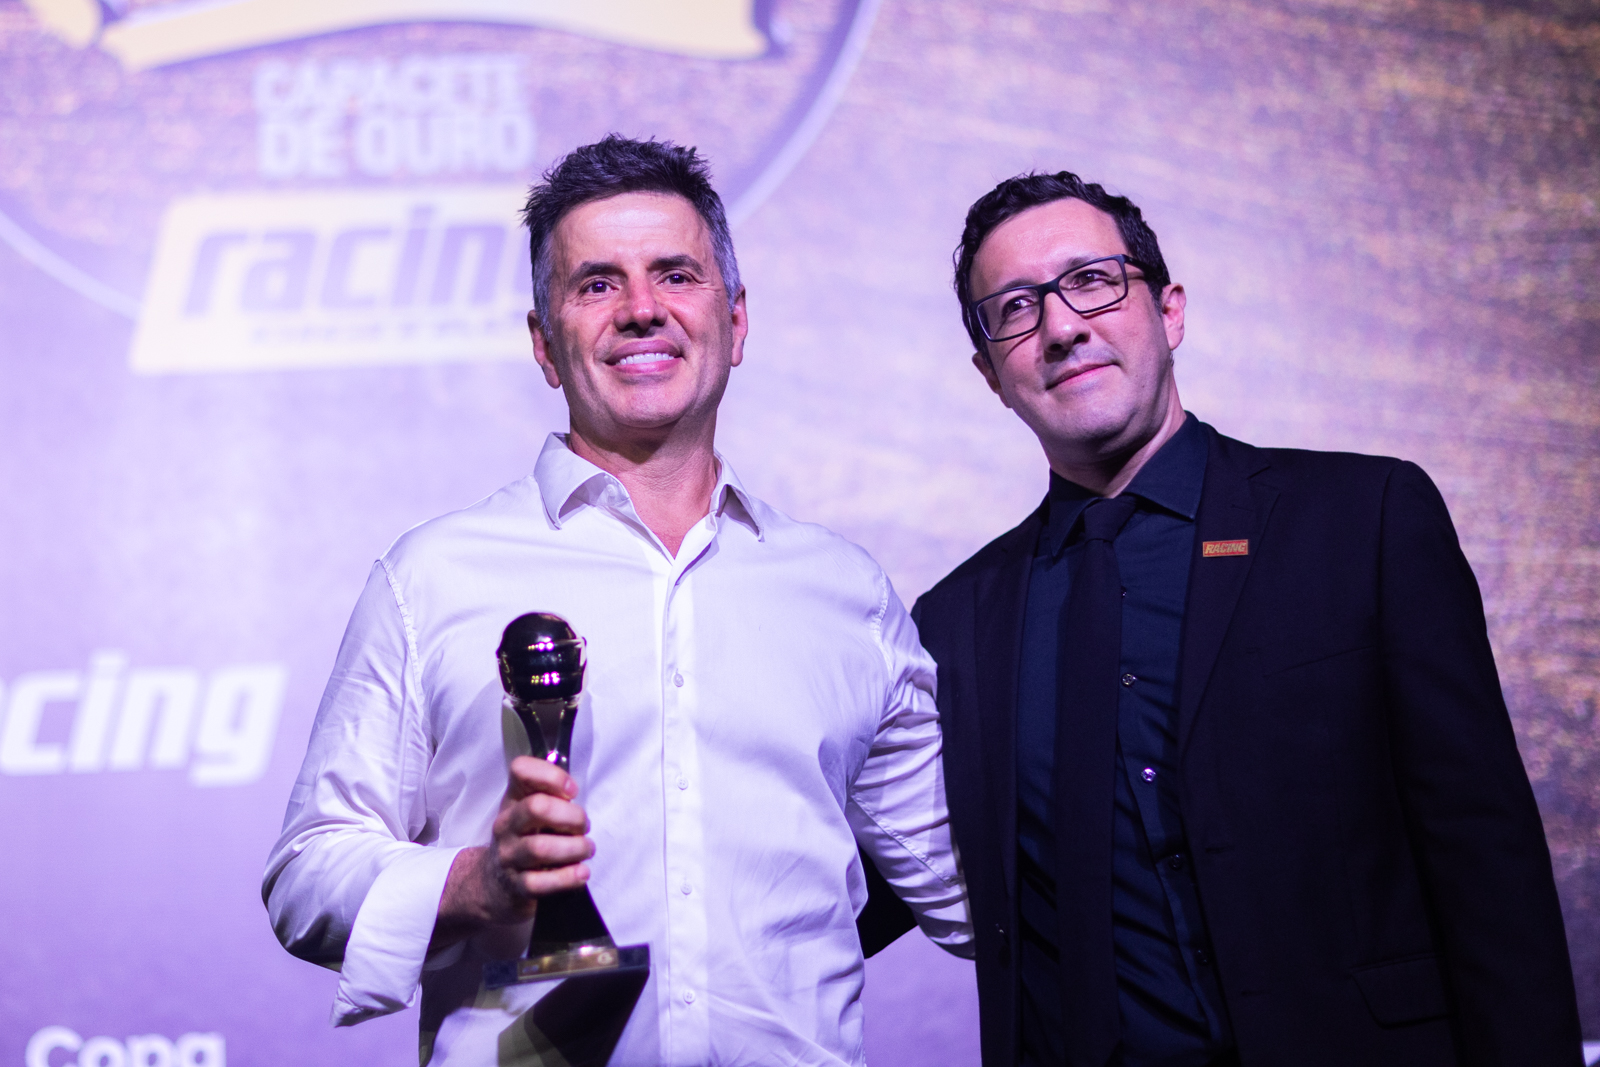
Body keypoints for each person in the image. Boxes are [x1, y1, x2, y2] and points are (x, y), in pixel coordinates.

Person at [262, 135, 972, 1066]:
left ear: (736, 320)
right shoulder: (432, 576)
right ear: (543, 344)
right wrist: (475, 881)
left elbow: (975, 893)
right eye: (597, 284)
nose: (642, 309)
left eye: (675, 274)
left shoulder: (844, 592)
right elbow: (307, 873)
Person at [908, 170, 1582, 1066]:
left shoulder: (1362, 519)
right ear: (991, 374)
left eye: (1092, 281)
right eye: (1017, 309)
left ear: (1170, 311)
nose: (1062, 326)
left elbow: (1485, 857)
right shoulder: (955, 620)